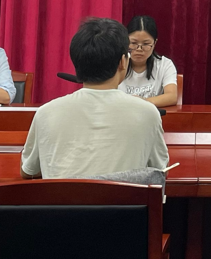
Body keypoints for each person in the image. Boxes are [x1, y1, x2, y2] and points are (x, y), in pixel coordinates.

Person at [21, 18, 168, 179]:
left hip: (63, 196)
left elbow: (28, 171)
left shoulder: (46, 113)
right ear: (123, 62)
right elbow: (160, 170)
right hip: (123, 196)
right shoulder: (148, 113)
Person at [118, 15, 178, 108]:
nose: (139, 49)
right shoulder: (116, 63)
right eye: (133, 43)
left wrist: (143, 102)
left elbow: (172, 97)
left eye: (146, 44)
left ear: (154, 43)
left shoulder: (165, 65)